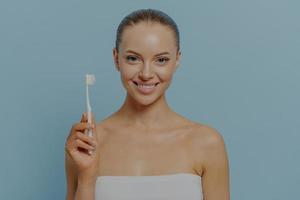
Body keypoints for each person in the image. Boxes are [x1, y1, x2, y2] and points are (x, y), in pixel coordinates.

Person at [65, 8, 230, 200]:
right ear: (116, 59)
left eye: (161, 60)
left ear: (177, 60)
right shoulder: (87, 143)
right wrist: (86, 178)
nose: (146, 73)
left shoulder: (206, 143)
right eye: (133, 58)